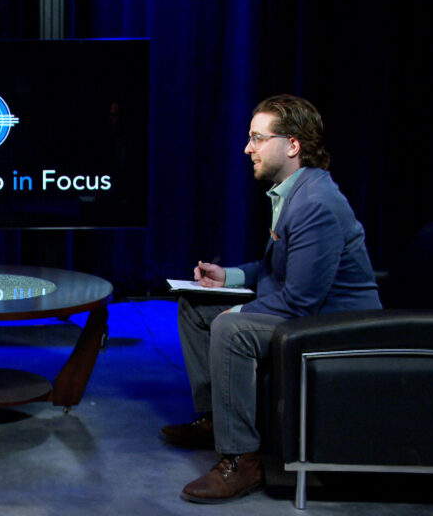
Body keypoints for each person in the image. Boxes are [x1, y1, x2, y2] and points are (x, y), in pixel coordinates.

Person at [161, 94, 381, 503]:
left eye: (258, 139)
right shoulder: (294, 192)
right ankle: (215, 419)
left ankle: (242, 460)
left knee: (231, 327)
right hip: (310, 311)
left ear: (293, 145)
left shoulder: (316, 204)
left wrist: (239, 309)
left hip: (337, 327)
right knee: (196, 306)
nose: (248, 149)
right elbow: (276, 271)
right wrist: (226, 277)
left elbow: (300, 299)